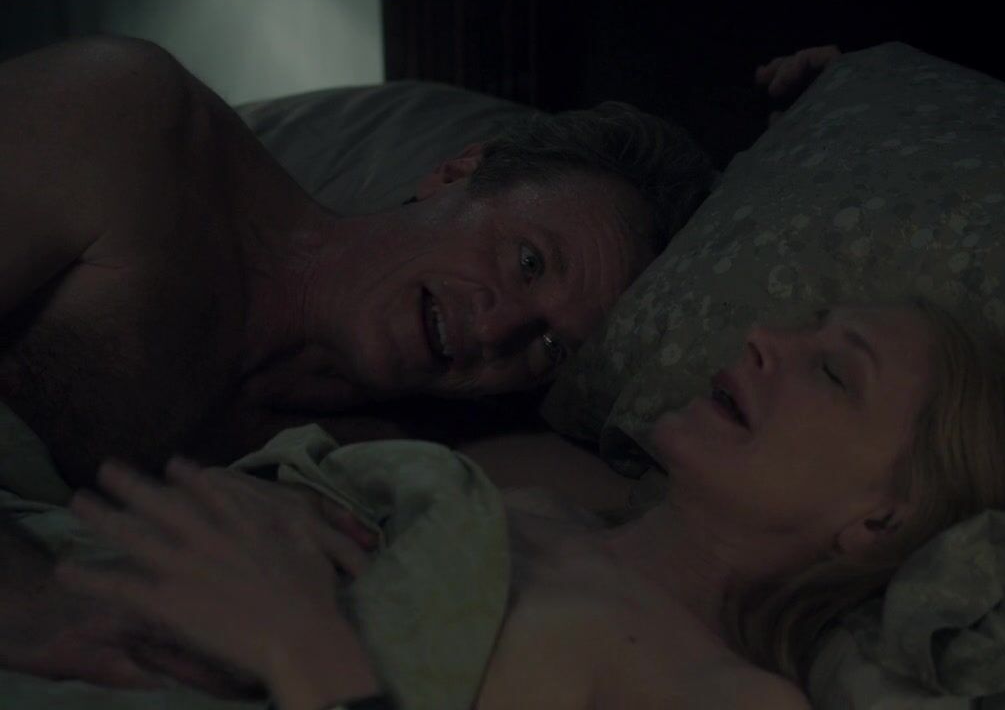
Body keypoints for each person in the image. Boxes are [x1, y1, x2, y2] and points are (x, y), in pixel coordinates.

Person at [0, 36, 712, 684]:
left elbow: (686, 527)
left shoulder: (424, 452)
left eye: (550, 346)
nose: (499, 328)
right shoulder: (132, 126)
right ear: (459, 171)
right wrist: (28, 599)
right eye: (528, 262)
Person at [57, 299, 1005, 709]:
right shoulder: (544, 490)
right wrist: (269, 502)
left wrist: (303, 648)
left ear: (879, 520)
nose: (765, 339)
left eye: (834, 372)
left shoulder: (730, 698)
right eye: (802, 328)